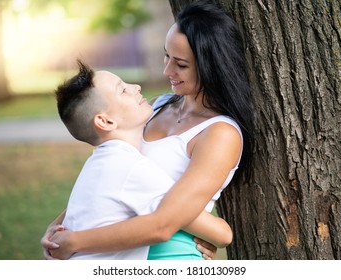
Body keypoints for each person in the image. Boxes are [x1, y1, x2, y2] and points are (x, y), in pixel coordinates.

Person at [41, 1, 254, 260]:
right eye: (167, 56)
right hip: (117, 253)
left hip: (165, 255)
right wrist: (60, 226)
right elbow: (111, 174)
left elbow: (165, 224)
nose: (167, 70)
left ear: (211, 66)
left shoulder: (219, 134)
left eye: (181, 65)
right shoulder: (155, 106)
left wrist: (75, 241)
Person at [48, 60, 232, 260]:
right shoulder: (133, 169)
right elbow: (222, 234)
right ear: (105, 121)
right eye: (123, 90)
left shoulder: (97, 165)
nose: (136, 87)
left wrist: (54, 234)